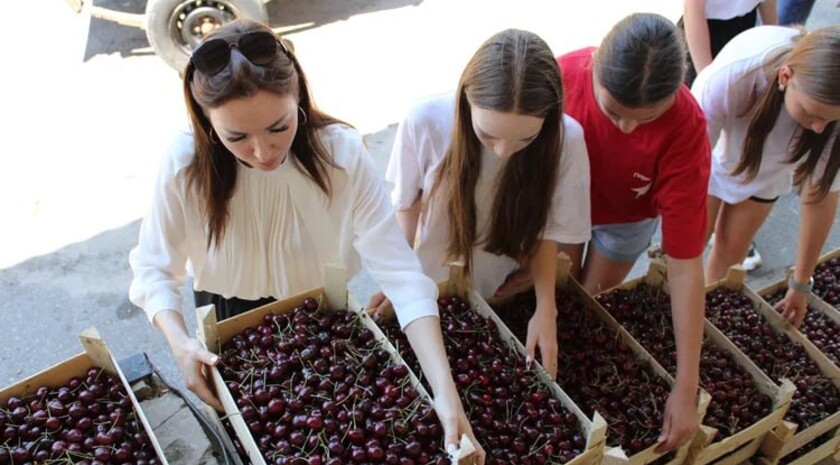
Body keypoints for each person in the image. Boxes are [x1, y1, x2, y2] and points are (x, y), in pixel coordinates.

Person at [128, 19, 485, 461]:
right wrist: (181, 345)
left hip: (322, 318)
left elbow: (402, 276)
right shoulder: (186, 164)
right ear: (206, 120)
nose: (263, 152)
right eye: (236, 137)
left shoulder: (341, 155)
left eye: (278, 126)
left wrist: (445, 393)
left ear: (298, 94)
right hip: (228, 318)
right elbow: (154, 269)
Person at [383, 29, 591, 379]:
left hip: (499, 284)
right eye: (488, 135)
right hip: (428, 283)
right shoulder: (425, 120)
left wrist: (545, 306)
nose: (504, 151)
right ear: (466, 99)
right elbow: (406, 204)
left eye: (525, 138)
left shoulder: (566, 140)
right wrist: (400, 277)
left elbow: (549, 230)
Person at [557, 13, 709, 452]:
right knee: (559, 297)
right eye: (614, 112)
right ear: (595, 69)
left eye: (648, 118)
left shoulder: (688, 127)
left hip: (627, 220)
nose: (627, 129)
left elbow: (684, 266)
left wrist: (686, 384)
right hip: (563, 208)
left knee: (588, 306)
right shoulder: (563, 77)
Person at [692, 25, 840, 327]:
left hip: (768, 172)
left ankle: (702, 320)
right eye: (812, 113)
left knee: (729, 252)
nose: (818, 128)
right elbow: (692, 163)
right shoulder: (733, 78)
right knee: (689, 249)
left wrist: (800, 283)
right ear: (786, 77)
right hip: (709, 158)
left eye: (830, 119)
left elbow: (820, 198)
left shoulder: (829, 116)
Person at [681, 0, 777, 87]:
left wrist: (776, 41)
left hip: (746, 23)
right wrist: (706, 77)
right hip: (708, 33)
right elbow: (692, 8)